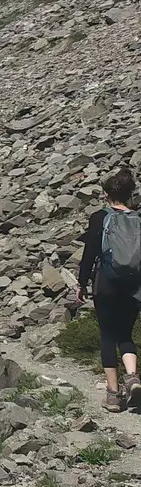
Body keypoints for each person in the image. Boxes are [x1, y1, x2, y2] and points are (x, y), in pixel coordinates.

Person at [78, 168, 141, 412]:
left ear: (106, 194)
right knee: (125, 334)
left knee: (107, 335)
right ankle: (133, 376)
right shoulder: (137, 220)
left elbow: (90, 252)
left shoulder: (99, 217)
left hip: (105, 283)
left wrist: (81, 282)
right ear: (129, 194)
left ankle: (113, 395)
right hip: (133, 285)